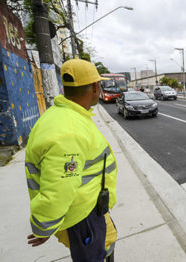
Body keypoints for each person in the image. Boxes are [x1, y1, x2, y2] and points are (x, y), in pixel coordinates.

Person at [25, 58, 117, 262]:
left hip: (89, 208)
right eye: (99, 84)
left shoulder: (65, 115)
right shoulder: (70, 131)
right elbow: (58, 189)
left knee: (107, 243)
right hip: (82, 217)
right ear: (94, 87)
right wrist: (43, 227)